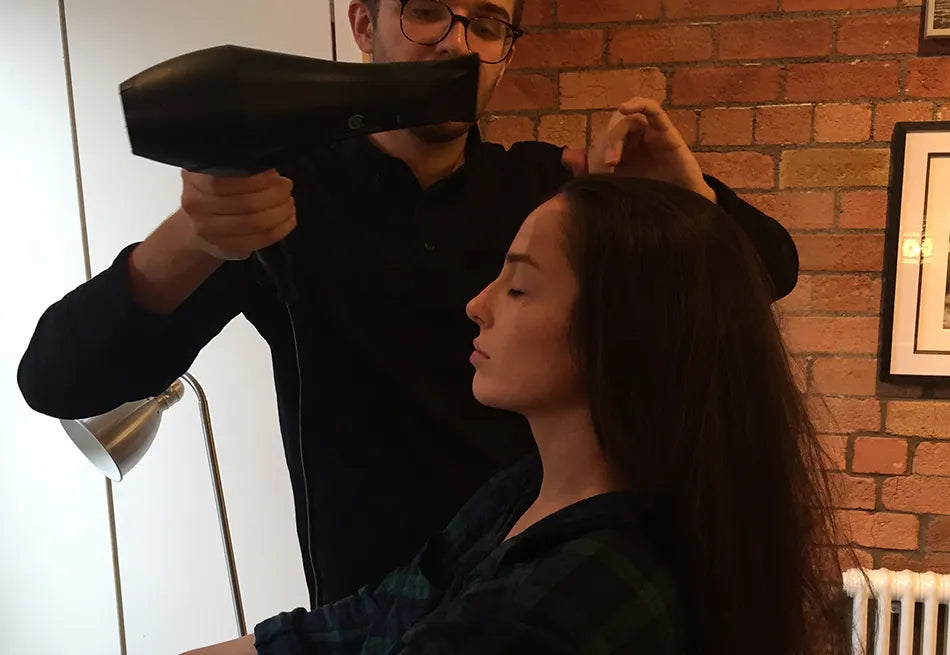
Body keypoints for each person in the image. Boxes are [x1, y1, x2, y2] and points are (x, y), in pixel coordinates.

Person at [17, 0, 799, 607]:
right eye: (427, 10)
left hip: (539, 605)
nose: (457, 43)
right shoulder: (284, 201)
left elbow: (767, 271)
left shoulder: (549, 196)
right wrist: (192, 236)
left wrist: (691, 200)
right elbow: (56, 381)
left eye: (489, 23)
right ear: (365, 24)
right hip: (362, 624)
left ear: (505, 52)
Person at [183, 176, 847, 655]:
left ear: (621, 333)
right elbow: (393, 606)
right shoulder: (525, 491)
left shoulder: (566, 602)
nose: (478, 303)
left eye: (520, 285)